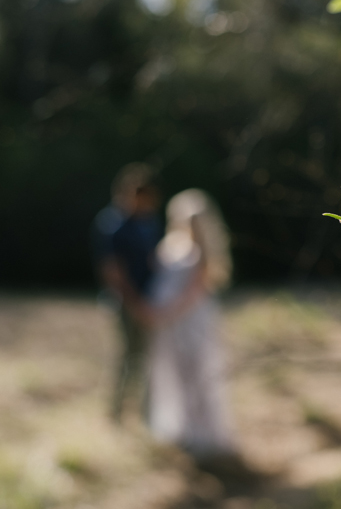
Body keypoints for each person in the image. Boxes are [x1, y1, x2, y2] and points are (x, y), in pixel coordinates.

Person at [147, 189, 237, 461]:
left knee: (198, 373)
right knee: (172, 372)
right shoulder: (170, 243)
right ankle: (180, 429)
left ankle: (204, 434)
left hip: (191, 320)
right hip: (168, 323)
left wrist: (168, 311)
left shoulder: (201, 251)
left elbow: (195, 289)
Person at [93, 163, 163, 424]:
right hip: (127, 301)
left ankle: (146, 414)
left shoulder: (147, 222)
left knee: (147, 357)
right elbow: (113, 271)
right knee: (126, 356)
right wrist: (134, 303)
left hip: (149, 299)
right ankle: (117, 413)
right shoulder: (113, 224)